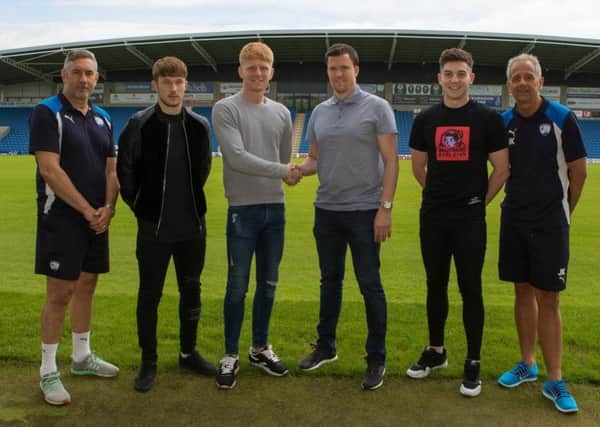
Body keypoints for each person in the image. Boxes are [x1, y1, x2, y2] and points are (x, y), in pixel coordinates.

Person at [406, 48, 509, 397]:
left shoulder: (488, 119)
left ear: (471, 78)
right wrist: (438, 195)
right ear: (440, 78)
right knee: (435, 284)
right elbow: (418, 168)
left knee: (470, 287)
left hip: (469, 218)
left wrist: (479, 200)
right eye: (448, 74)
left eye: (460, 73)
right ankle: (436, 352)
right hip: (433, 216)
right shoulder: (425, 119)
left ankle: (474, 361)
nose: (454, 80)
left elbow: (502, 169)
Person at [296, 43, 399, 391]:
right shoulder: (320, 112)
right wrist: (297, 170)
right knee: (330, 282)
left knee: (370, 285)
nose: (338, 74)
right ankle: (326, 347)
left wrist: (384, 209)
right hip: (326, 210)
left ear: (356, 69)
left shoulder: (377, 108)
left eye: (344, 68)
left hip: (365, 211)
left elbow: (392, 161)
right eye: (332, 69)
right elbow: (314, 159)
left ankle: (376, 358)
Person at [117, 56, 215, 392]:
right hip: (154, 231)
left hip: (191, 230)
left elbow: (203, 171)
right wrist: (143, 209)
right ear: (155, 84)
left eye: (179, 82)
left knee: (191, 292)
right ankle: (149, 361)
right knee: (150, 296)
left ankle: (188, 353)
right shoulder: (139, 124)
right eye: (166, 82)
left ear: (186, 85)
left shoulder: (199, 125)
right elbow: (125, 173)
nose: (173, 89)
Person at [497, 54, 587, 413]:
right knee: (521, 290)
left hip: (550, 223)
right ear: (508, 85)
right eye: (515, 77)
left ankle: (555, 378)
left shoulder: (562, 118)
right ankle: (527, 363)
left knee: (549, 297)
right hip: (514, 220)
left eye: (528, 76)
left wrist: (563, 214)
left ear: (540, 80)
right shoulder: (503, 121)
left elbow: (578, 175)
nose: (522, 82)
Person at [30, 49, 120, 406]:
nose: (84, 79)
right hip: (62, 218)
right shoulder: (47, 112)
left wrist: (108, 208)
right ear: (64, 75)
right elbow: (50, 169)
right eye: (78, 72)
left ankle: (82, 358)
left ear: (97, 78)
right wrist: (86, 209)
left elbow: (111, 170)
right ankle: (48, 371)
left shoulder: (103, 117)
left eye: (90, 74)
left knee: (87, 284)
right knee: (60, 293)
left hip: (97, 218)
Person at [212, 42, 299, 390]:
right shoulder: (225, 108)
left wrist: (285, 172)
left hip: (274, 210)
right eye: (252, 67)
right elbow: (236, 157)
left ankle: (259, 348)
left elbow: (281, 158)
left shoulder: (282, 113)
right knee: (237, 286)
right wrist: (284, 170)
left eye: (264, 68)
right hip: (242, 211)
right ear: (241, 71)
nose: (258, 73)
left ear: (271, 72)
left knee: (268, 284)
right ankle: (230, 354)